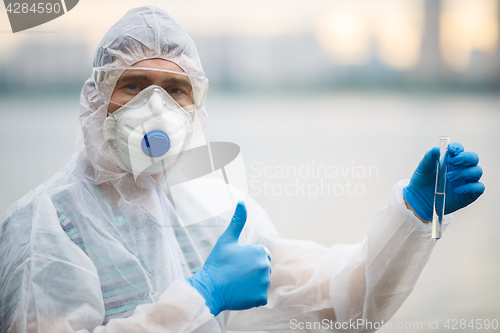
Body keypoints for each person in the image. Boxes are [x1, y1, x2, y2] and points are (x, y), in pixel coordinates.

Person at [0, 6, 484, 333]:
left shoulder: (216, 213)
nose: (155, 105)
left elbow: (342, 305)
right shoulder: (46, 225)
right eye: (134, 85)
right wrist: (199, 298)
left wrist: (412, 217)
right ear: (96, 99)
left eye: (175, 89)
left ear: (195, 107)